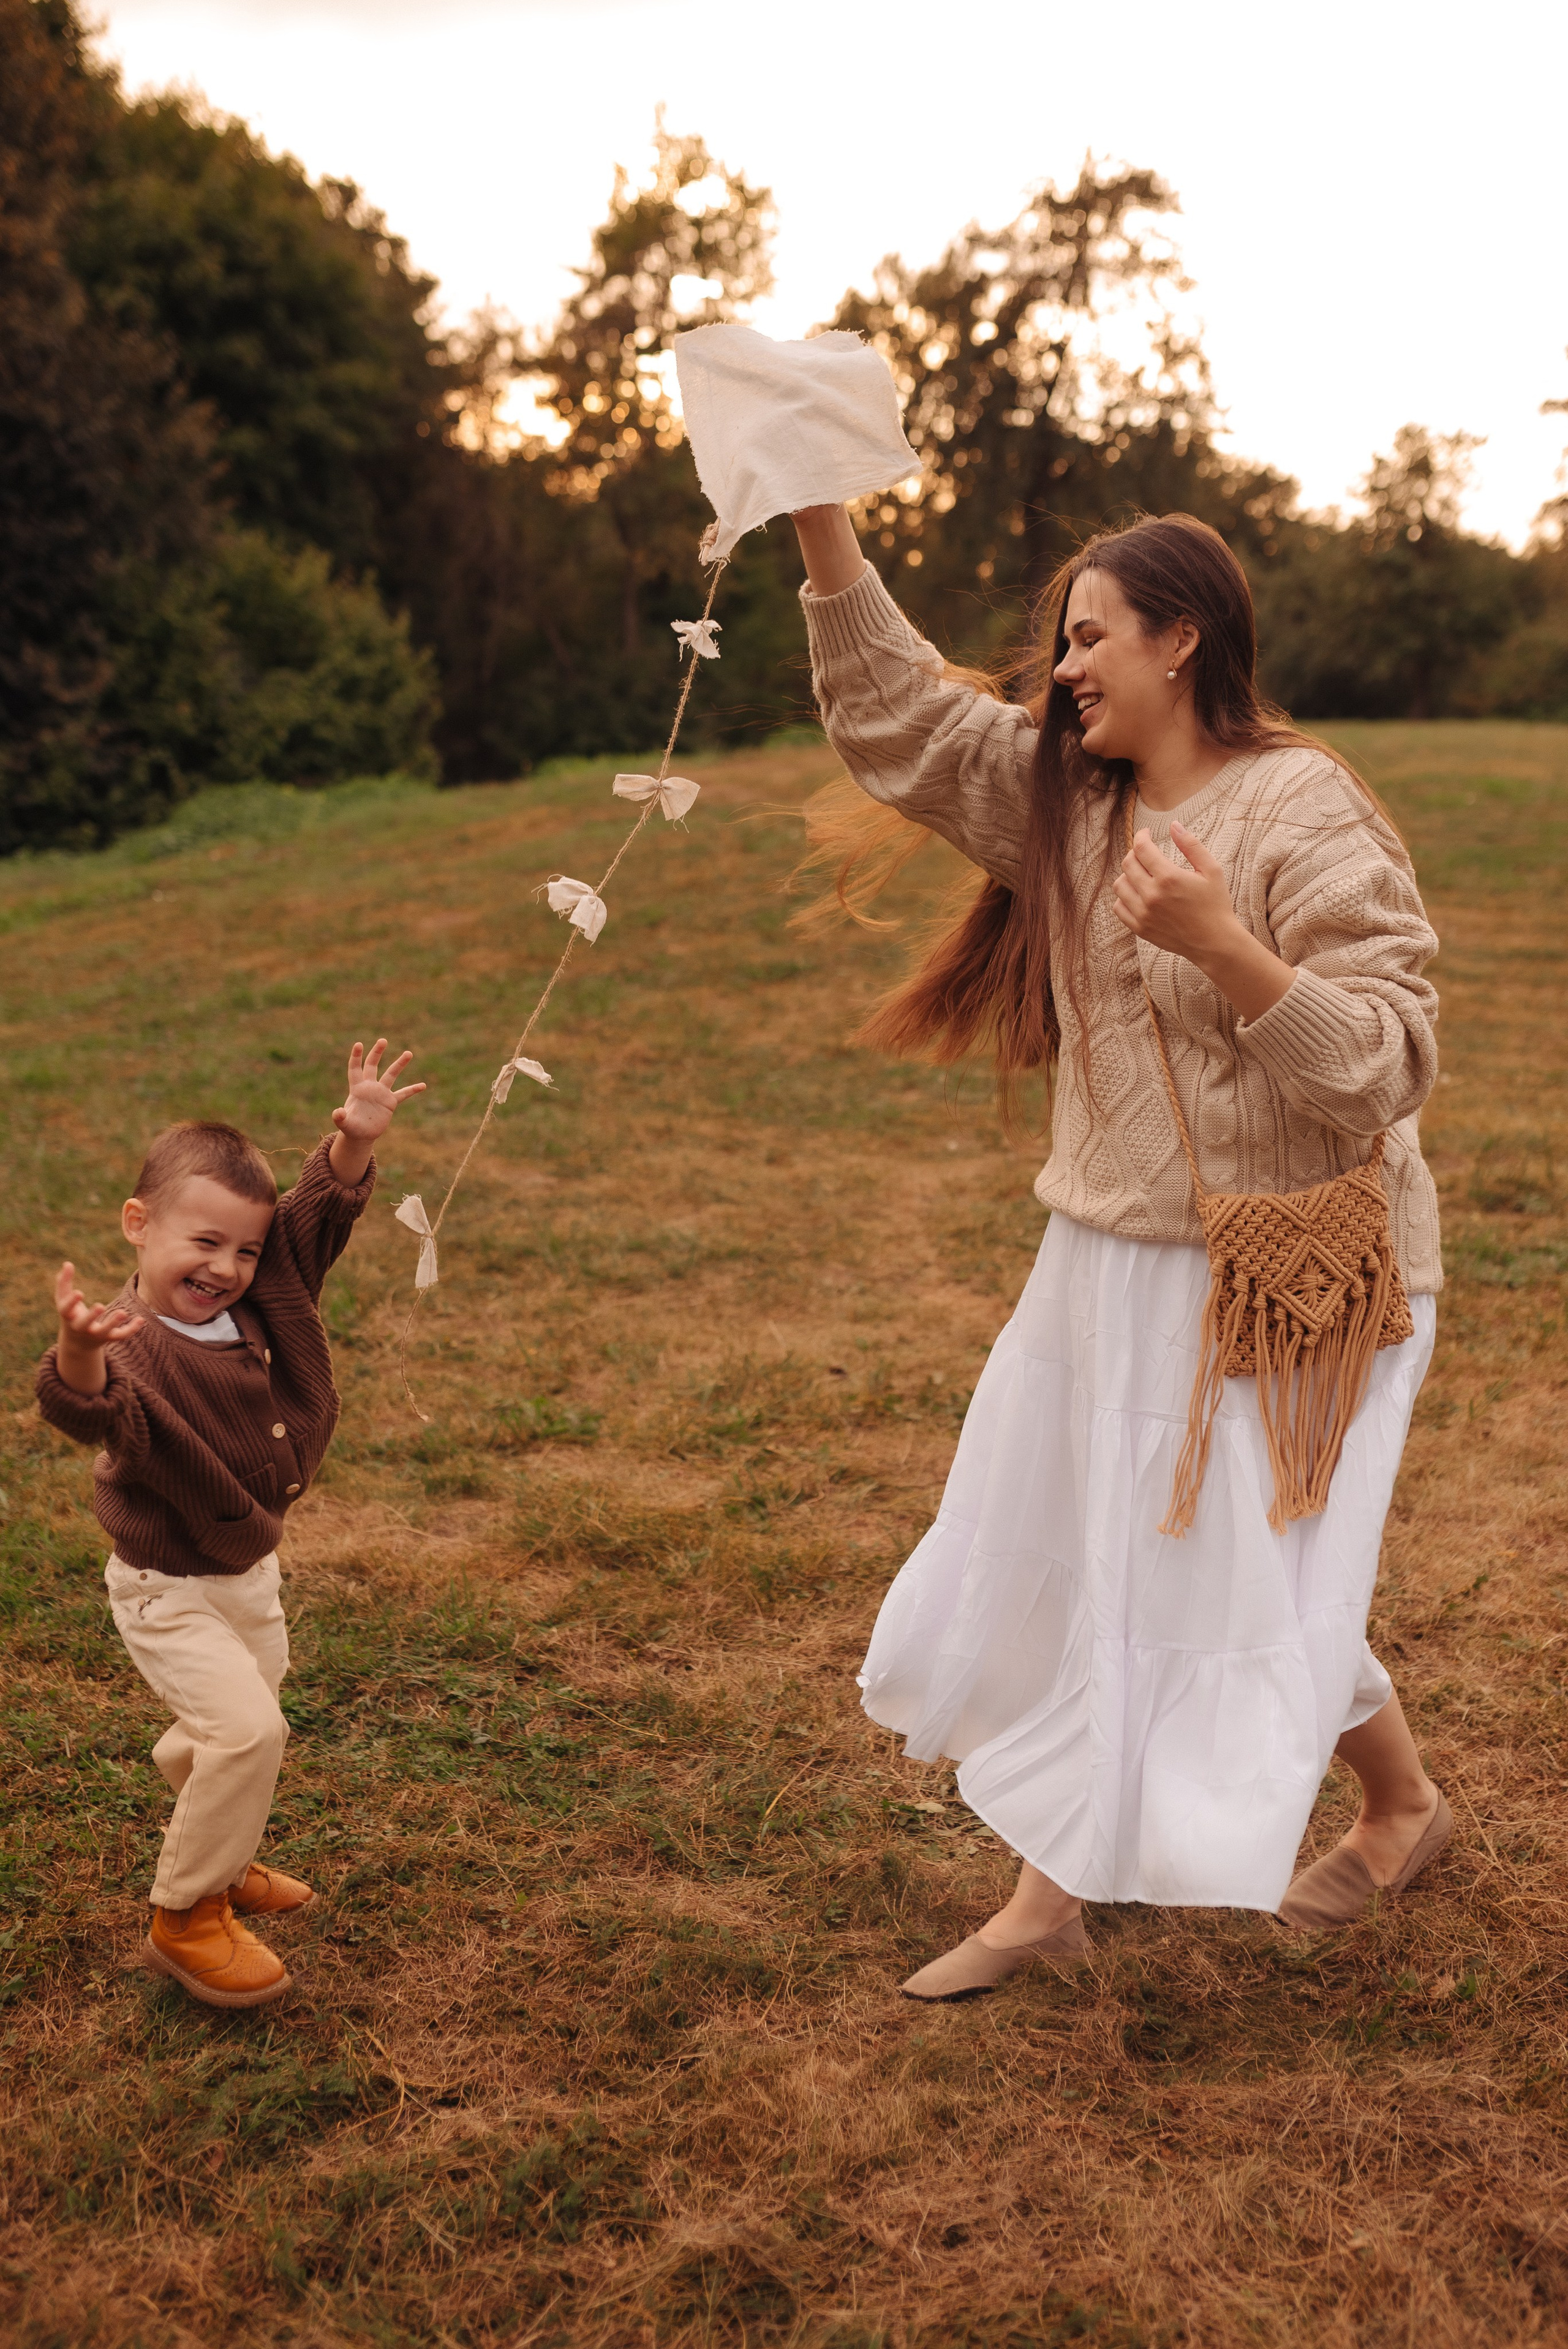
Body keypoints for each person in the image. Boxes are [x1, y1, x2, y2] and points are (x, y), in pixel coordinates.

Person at [791, 504, 1449, 1999]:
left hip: (1295, 1272)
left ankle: (1059, 1898)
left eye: (1090, 636)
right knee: (1162, 1556)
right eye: (1060, 641)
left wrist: (1228, 943)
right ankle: (1380, 1808)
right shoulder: (1067, 803)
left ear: (1180, 638)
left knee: (1206, 1568)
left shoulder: (1305, 812)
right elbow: (898, 721)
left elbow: (1382, 1063)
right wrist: (821, 519)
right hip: (1106, 1246)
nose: (1064, 667)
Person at [36, 1039, 424, 2010]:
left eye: (245, 1250)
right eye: (202, 1244)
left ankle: (225, 1835)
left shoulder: (266, 1292)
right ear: (139, 1225)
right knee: (250, 1731)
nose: (227, 1268)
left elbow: (315, 1218)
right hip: (169, 1585)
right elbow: (84, 1408)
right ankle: (186, 1915)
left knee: (252, 1713)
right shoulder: (131, 1347)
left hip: (247, 1568)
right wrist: (79, 1353)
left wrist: (353, 1145)